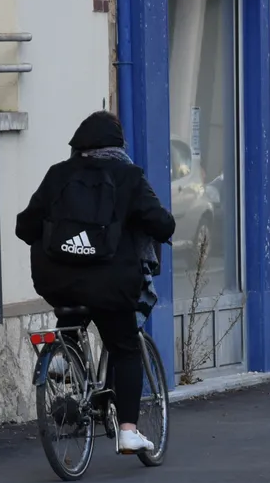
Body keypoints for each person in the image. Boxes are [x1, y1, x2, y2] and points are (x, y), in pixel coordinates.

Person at [15, 110, 175, 454]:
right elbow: (161, 224)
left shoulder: (58, 176)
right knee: (125, 346)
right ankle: (129, 431)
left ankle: (62, 356)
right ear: (117, 145)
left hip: (58, 281)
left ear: (80, 145)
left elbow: (24, 227)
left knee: (72, 311)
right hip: (111, 286)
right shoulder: (128, 176)